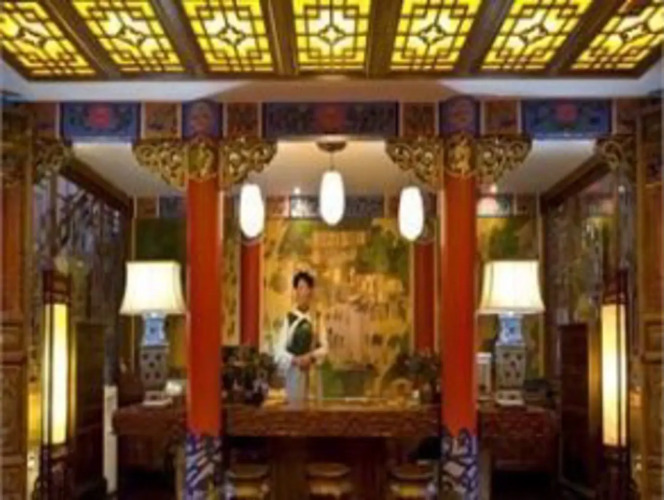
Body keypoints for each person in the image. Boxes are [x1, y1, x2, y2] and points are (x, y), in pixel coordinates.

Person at [274, 271, 328, 403]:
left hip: (313, 374)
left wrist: (311, 356)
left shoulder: (317, 318)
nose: (301, 292)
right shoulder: (289, 318)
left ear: (310, 291)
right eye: (298, 288)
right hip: (294, 374)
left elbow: (325, 348)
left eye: (304, 288)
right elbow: (279, 351)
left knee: (313, 410)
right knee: (295, 409)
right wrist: (295, 360)